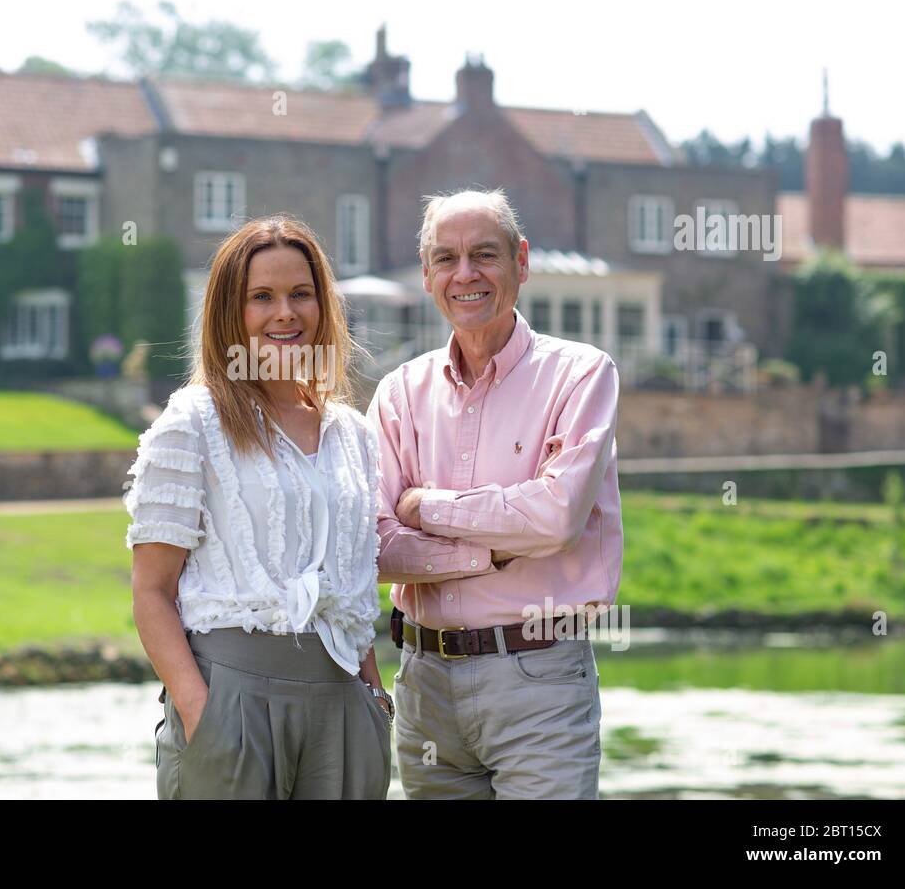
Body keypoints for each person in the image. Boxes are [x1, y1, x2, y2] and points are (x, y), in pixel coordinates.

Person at [367, 188, 623, 799]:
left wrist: (424, 508)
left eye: (485, 255)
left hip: (539, 681)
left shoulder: (582, 375)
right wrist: (490, 552)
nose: (466, 274)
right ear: (428, 275)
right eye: (447, 259)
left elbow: (557, 518)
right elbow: (373, 544)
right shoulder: (400, 392)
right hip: (424, 684)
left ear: (521, 262)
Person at [127, 215, 392, 800]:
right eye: (261, 297)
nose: (285, 314)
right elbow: (151, 591)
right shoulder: (192, 422)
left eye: (302, 294)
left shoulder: (353, 432)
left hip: (344, 706)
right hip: (233, 704)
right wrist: (203, 716)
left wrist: (376, 704)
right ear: (230, 312)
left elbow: (353, 586)